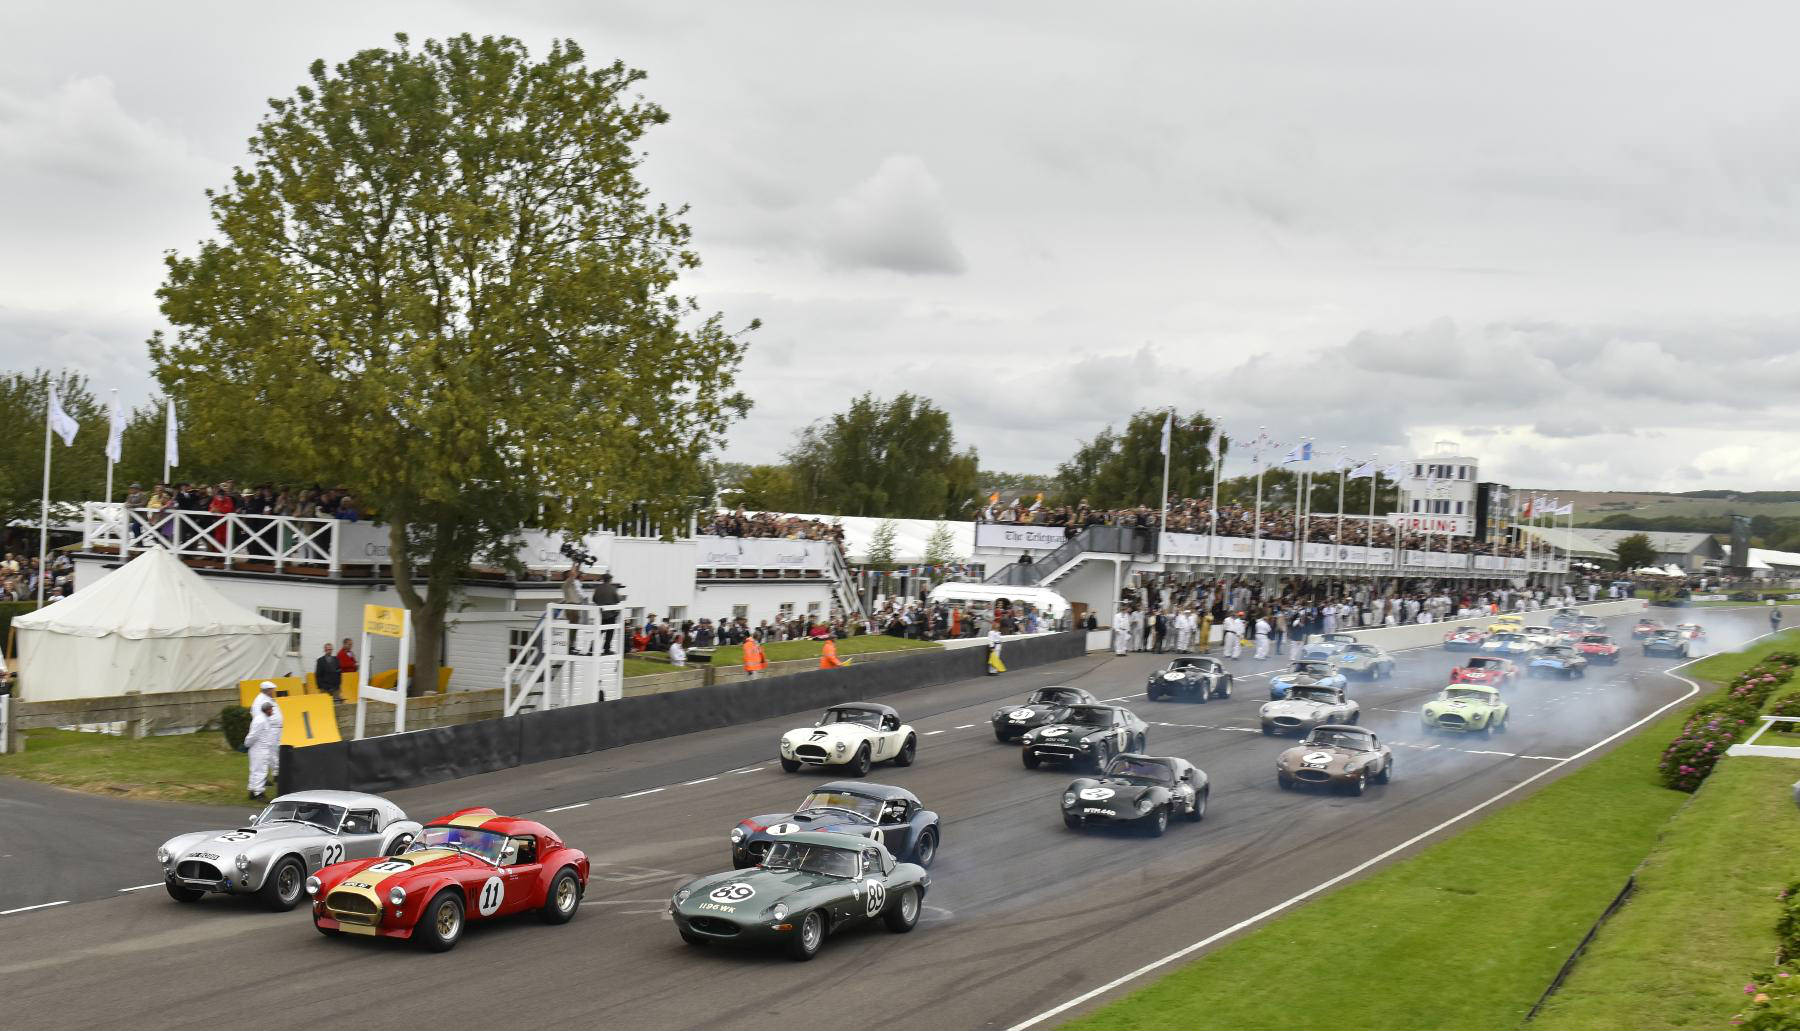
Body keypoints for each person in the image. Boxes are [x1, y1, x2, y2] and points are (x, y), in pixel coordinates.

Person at [243, 682, 284, 800]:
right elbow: (253, 735)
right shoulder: (261, 720)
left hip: (259, 747)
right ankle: (259, 793)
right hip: (259, 748)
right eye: (271, 709)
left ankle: (252, 790)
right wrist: (247, 744)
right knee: (260, 770)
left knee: (255, 770)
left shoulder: (263, 718)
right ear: (266, 710)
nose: (273, 711)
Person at [589, 573, 623, 655]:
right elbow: (618, 599)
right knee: (610, 632)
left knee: (599, 632)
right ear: (610, 579)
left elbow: (594, 599)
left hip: (601, 614)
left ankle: (592, 648)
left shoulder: (598, 588)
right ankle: (606, 649)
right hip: (611, 614)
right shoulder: (612, 588)